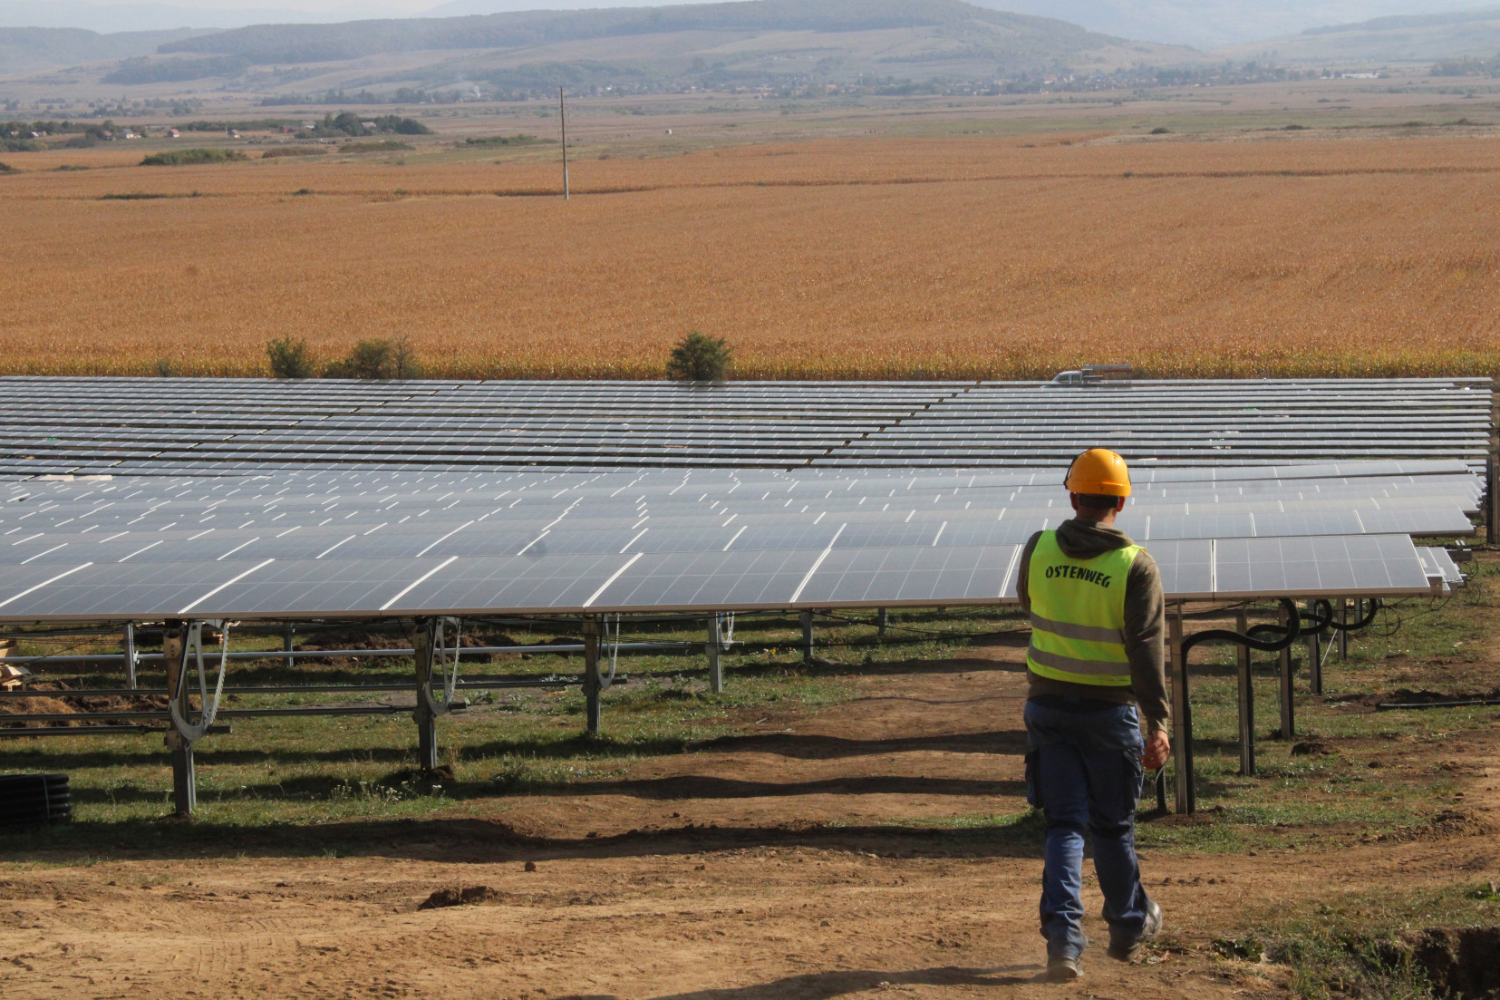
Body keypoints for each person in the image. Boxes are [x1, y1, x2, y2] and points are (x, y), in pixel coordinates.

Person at [1017, 448, 1171, 982]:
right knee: (1112, 825)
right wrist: (1159, 722)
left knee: (1064, 824)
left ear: (1072, 497)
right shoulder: (1135, 565)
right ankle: (1127, 926)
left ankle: (1064, 942)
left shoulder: (1038, 548)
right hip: (1108, 713)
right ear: (1121, 502)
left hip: (1047, 708)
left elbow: (1030, 603)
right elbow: (1146, 650)